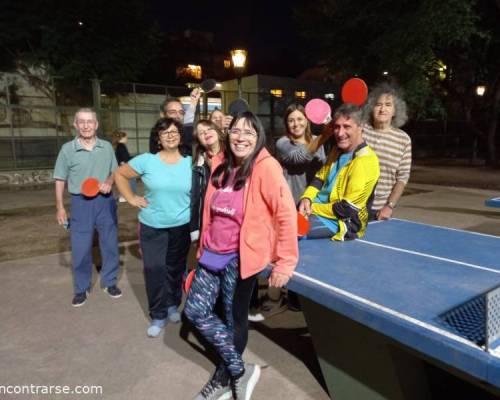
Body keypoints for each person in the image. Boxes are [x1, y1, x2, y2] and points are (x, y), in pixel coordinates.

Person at [184, 111, 298, 400]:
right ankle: (239, 369)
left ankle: (223, 377)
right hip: (211, 253)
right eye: (236, 131)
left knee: (234, 319)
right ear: (228, 134)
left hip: (240, 256)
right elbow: (209, 208)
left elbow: (285, 214)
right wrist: (201, 247)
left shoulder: (265, 167)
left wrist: (285, 261)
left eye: (249, 132)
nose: (241, 137)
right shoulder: (220, 163)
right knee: (196, 311)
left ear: (258, 137)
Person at [114, 118, 192, 337]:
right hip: (153, 226)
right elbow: (119, 174)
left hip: (181, 226)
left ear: (180, 136)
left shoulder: (190, 162)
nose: (170, 135)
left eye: (174, 131)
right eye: (164, 132)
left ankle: (172, 305)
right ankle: (158, 314)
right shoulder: (147, 161)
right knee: (154, 269)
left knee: (175, 269)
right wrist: (131, 197)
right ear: (158, 138)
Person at [248, 103, 326, 318]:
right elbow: (298, 158)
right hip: (287, 208)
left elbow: (323, 172)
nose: (296, 123)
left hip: (311, 207)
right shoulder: (283, 143)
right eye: (291, 120)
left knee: (307, 255)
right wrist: (325, 135)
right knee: (280, 255)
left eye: (300, 119)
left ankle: (297, 297)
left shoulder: (319, 144)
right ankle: (276, 299)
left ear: (307, 121)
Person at [54, 108, 121, 307]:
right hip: (80, 203)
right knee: (81, 248)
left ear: (96, 125)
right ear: (75, 125)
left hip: (105, 201)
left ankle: (109, 282)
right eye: (81, 122)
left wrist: (109, 181)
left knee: (109, 244)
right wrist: (60, 207)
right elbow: (59, 179)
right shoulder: (67, 149)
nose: (85, 125)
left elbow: (115, 172)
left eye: (89, 121)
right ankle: (81, 288)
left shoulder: (107, 147)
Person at [299, 103, 380, 240]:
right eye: (337, 127)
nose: (340, 133)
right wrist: (306, 198)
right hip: (316, 211)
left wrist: (311, 208)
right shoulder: (336, 150)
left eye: (347, 126)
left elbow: (347, 209)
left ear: (361, 127)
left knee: (284, 234)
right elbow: (320, 178)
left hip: (340, 224)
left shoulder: (366, 161)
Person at [362, 83, 412, 220]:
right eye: (378, 104)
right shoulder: (360, 130)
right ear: (371, 108)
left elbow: (402, 178)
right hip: (353, 205)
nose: (382, 109)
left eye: (388, 105)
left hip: (379, 211)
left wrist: (389, 206)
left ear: (395, 111)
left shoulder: (403, 140)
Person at [190, 119, 225, 242]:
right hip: (209, 217)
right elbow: (196, 196)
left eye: (209, 129)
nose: (206, 133)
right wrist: (195, 227)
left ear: (218, 132)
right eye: (201, 132)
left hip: (229, 215)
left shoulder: (233, 155)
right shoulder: (198, 164)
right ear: (198, 140)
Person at [111, 130, 136, 201]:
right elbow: (125, 158)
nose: (127, 139)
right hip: (124, 167)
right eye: (126, 137)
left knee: (123, 181)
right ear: (122, 138)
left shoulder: (118, 146)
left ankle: (123, 196)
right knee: (130, 180)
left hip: (121, 166)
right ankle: (127, 196)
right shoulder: (121, 146)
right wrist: (134, 158)